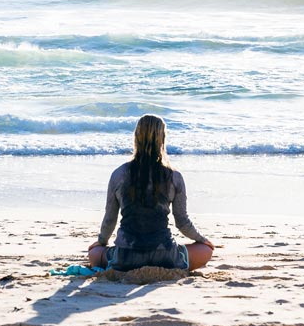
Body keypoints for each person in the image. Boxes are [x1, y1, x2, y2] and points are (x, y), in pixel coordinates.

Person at [88, 114, 214, 272]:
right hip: (165, 255)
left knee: (93, 253)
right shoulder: (174, 176)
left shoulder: (119, 174)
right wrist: (202, 240)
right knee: (206, 250)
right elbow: (182, 222)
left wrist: (101, 241)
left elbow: (110, 219)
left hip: (126, 256)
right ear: (162, 138)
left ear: (136, 137)